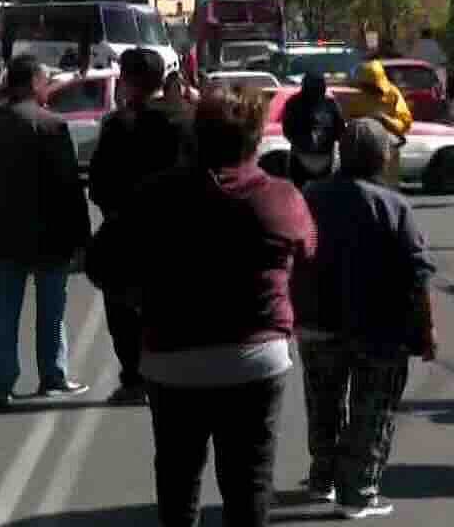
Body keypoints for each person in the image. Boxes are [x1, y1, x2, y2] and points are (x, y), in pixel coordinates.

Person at [89, 87, 315, 527]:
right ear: (255, 140)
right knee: (248, 480)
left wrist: (139, 302)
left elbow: (101, 263)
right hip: (256, 359)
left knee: (178, 480)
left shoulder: (155, 195)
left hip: (172, 359)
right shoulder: (279, 197)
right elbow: (309, 254)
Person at [294, 119, 435, 518]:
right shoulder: (393, 205)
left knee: (322, 404)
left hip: (317, 322)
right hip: (380, 328)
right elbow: (417, 273)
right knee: (373, 410)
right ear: (379, 156)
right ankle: (358, 491)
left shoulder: (311, 195)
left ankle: (322, 480)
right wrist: (427, 328)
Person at [0, 55, 91, 407]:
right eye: (45, 80)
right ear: (34, 83)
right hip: (49, 235)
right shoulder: (51, 125)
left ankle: (3, 384)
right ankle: (52, 376)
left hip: (4, 234)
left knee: (5, 311)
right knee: (52, 309)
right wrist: (82, 238)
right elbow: (69, 188)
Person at [86, 47, 185, 406]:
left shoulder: (120, 125)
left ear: (127, 82)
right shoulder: (189, 118)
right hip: (182, 234)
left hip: (130, 235)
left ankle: (135, 378)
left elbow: (99, 184)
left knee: (123, 309)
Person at [280, 71, 344, 187]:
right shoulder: (330, 104)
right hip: (315, 158)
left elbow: (287, 130)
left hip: (311, 158)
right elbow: (340, 131)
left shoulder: (293, 103)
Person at [349, 60, 413, 140]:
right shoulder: (354, 95)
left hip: (387, 144)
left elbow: (405, 124)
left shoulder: (392, 93)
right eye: (365, 85)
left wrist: (384, 119)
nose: (368, 89)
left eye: (371, 85)